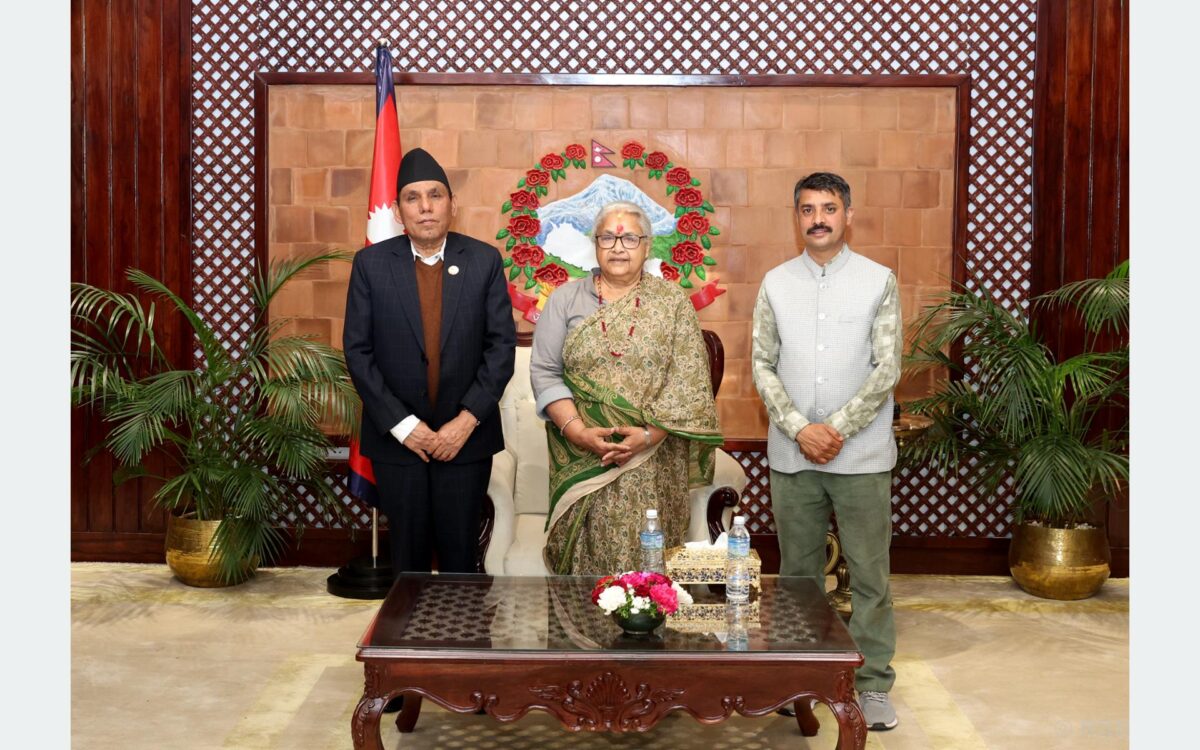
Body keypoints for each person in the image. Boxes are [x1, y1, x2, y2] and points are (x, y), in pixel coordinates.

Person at [751, 172, 902, 731]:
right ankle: (800, 677)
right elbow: (762, 364)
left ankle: (873, 683)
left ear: (848, 215)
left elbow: (887, 367)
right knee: (798, 575)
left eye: (829, 208)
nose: (818, 218)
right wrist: (799, 429)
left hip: (861, 454)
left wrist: (834, 428)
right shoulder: (775, 283)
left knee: (869, 575)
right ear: (797, 217)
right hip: (793, 456)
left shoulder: (878, 280)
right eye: (808, 209)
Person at [343, 147, 516, 576]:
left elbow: (500, 349)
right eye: (413, 197)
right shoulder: (370, 265)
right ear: (398, 211)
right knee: (409, 559)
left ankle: (462, 625)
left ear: (452, 205)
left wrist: (465, 422)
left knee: (461, 559)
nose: (425, 207)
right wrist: (405, 426)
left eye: (435, 195)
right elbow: (358, 353)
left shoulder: (483, 261)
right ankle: (409, 624)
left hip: (466, 441)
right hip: (397, 442)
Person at [530, 200, 723, 575]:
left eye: (630, 238)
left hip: (654, 458)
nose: (618, 247)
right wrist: (579, 432)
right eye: (608, 238)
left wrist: (649, 435)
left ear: (647, 247)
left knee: (648, 564)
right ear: (595, 245)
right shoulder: (565, 300)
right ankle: (584, 616)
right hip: (585, 455)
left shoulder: (671, 303)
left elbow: (688, 381)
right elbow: (545, 372)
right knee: (588, 567)